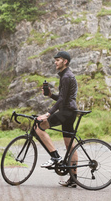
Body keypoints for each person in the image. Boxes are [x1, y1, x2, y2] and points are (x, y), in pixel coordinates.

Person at [34, 51, 78, 188]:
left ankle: (55, 157)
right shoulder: (66, 75)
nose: (55, 62)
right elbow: (62, 98)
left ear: (65, 61)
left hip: (66, 112)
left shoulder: (66, 76)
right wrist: (51, 95)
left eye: (58, 60)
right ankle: (73, 179)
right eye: (55, 60)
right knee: (69, 144)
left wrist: (48, 114)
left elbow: (63, 100)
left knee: (38, 127)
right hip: (70, 112)